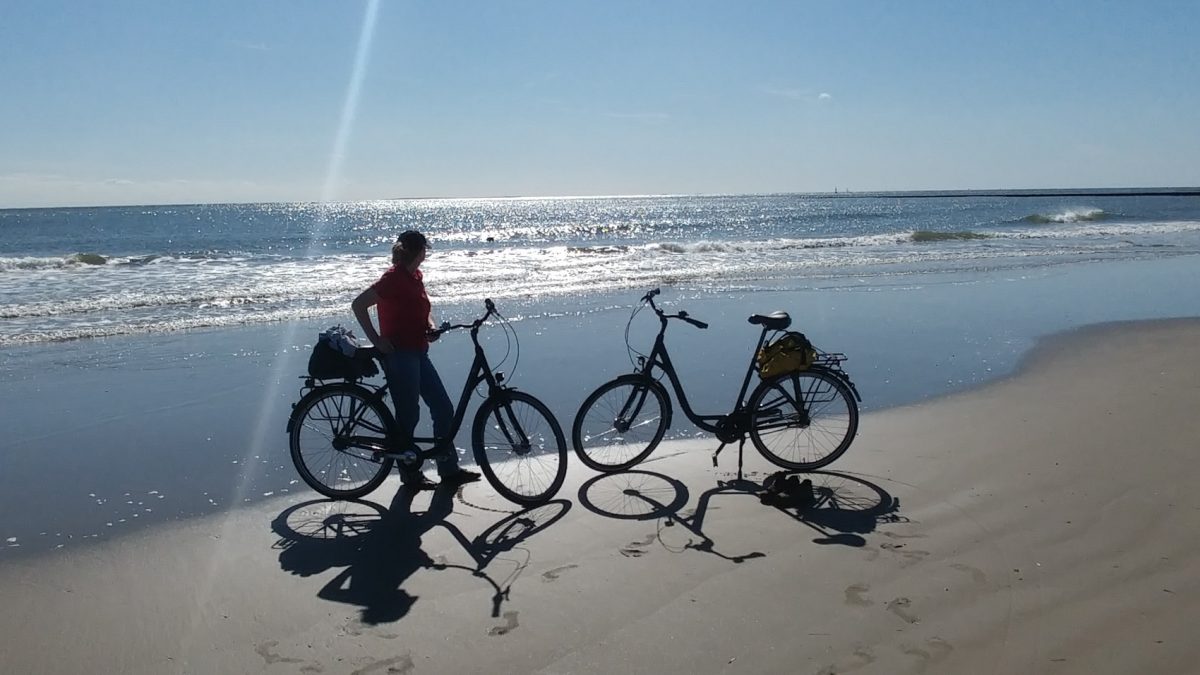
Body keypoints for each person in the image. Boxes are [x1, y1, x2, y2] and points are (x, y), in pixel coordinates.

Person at [352, 230, 480, 490]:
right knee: (409, 415)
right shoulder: (393, 278)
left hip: (419, 351)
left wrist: (430, 326)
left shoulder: (414, 276)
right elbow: (358, 304)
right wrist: (377, 340)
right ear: (420, 251)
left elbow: (423, 308)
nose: (426, 254)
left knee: (443, 408)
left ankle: (449, 470)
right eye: (426, 249)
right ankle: (410, 474)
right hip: (399, 355)